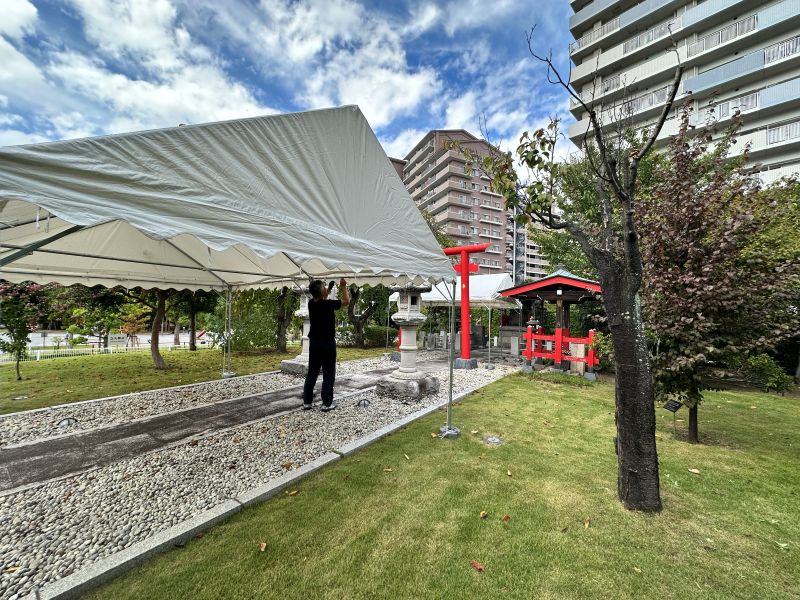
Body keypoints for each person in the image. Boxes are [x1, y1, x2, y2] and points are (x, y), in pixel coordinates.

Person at [303, 278, 350, 411]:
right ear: (322, 292)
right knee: (329, 373)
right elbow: (346, 301)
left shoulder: (311, 303)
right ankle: (327, 403)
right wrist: (343, 287)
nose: (325, 289)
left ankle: (307, 402)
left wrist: (328, 288)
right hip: (327, 343)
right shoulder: (328, 304)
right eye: (324, 287)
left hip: (314, 343)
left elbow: (321, 297)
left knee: (312, 372)